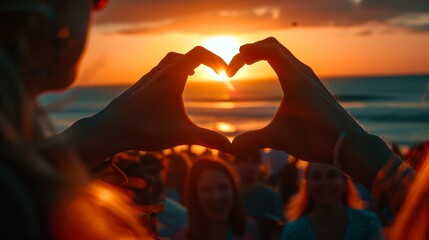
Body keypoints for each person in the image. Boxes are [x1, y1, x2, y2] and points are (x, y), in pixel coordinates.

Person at [0, 0, 230, 238]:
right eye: (97, 2)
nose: (96, 11)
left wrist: (103, 133)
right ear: (48, 9)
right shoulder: (16, 205)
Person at [281, 163, 383, 240]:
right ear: (306, 185)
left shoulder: (367, 223)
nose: (324, 183)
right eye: (316, 176)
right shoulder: (294, 232)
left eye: (332, 175)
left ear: (344, 183)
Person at [174, 156, 258, 240]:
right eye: (207, 189)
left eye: (223, 187)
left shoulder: (250, 229)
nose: (216, 196)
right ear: (195, 195)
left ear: (233, 190)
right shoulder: (182, 237)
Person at [117, 153, 188, 239]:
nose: (150, 178)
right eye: (143, 173)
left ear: (164, 173)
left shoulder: (180, 215)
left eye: (153, 172)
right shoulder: (121, 212)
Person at [234, 150, 285, 239]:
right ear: (236, 164)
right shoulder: (229, 196)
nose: (250, 166)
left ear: (260, 165)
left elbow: (281, 229)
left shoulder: (272, 196)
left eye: (255, 162)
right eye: (244, 161)